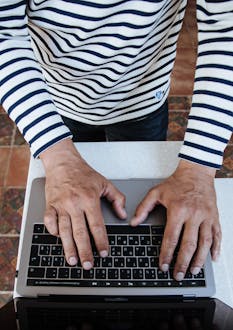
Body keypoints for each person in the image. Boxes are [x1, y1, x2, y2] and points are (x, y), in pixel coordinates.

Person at [0, 1, 232, 281]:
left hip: (144, 99)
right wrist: (58, 155)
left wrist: (199, 169)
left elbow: (225, 26)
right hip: (54, 101)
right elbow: (4, 33)